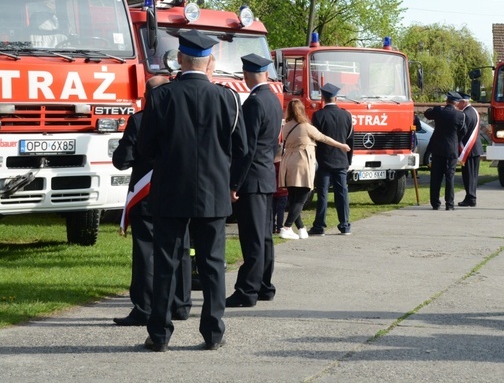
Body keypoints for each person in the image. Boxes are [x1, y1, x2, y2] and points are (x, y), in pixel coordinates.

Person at [138, 29, 247, 352]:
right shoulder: (227, 98)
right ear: (209, 61)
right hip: (214, 192)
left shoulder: (161, 97)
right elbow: (242, 149)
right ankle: (213, 332)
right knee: (213, 265)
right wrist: (232, 185)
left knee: (166, 264)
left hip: (171, 191)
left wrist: (168, 160)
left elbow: (145, 148)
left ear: (181, 59)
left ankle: (159, 333)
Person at [111, 76, 191, 327]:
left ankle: (145, 306)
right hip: (179, 192)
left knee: (146, 252)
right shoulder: (183, 117)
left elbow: (122, 159)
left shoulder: (139, 120)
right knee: (181, 247)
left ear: (147, 96)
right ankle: (180, 303)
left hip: (147, 195)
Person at [226, 54, 284, 308]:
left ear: (247, 74)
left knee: (252, 237)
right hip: (266, 176)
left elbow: (246, 149)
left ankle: (247, 290)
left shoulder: (253, 103)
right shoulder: (272, 99)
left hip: (251, 179)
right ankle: (264, 285)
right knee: (264, 237)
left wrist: (235, 182)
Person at [280, 98, 351, 239]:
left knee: (294, 198)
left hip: (288, 163)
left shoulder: (287, 125)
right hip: (301, 163)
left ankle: (301, 228)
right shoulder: (306, 126)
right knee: (302, 197)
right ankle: (287, 227)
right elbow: (324, 138)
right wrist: (341, 145)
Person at [309, 83, 355, 236]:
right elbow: (350, 140)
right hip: (341, 160)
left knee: (322, 194)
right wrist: (349, 160)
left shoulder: (318, 115)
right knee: (342, 193)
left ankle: (319, 226)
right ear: (336, 97)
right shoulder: (346, 115)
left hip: (323, 160)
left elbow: (315, 140)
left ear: (322, 97)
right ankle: (345, 224)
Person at [424, 91, 466, 211]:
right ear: (456, 103)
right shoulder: (460, 115)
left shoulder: (439, 112)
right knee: (450, 177)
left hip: (437, 149)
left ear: (447, 101)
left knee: (436, 177)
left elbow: (427, 114)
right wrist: (456, 140)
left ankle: (435, 203)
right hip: (451, 149)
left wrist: (435, 108)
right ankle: (449, 204)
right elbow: (463, 131)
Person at [457, 93, 482, 207]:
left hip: (469, 149)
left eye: (459, 102)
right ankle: (470, 196)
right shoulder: (474, 111)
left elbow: (463, 132)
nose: (457, 105)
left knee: (468, 175)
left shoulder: (465, 114)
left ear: (464, 102)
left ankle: (471, 198)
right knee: (473, 175)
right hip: (475, 149)